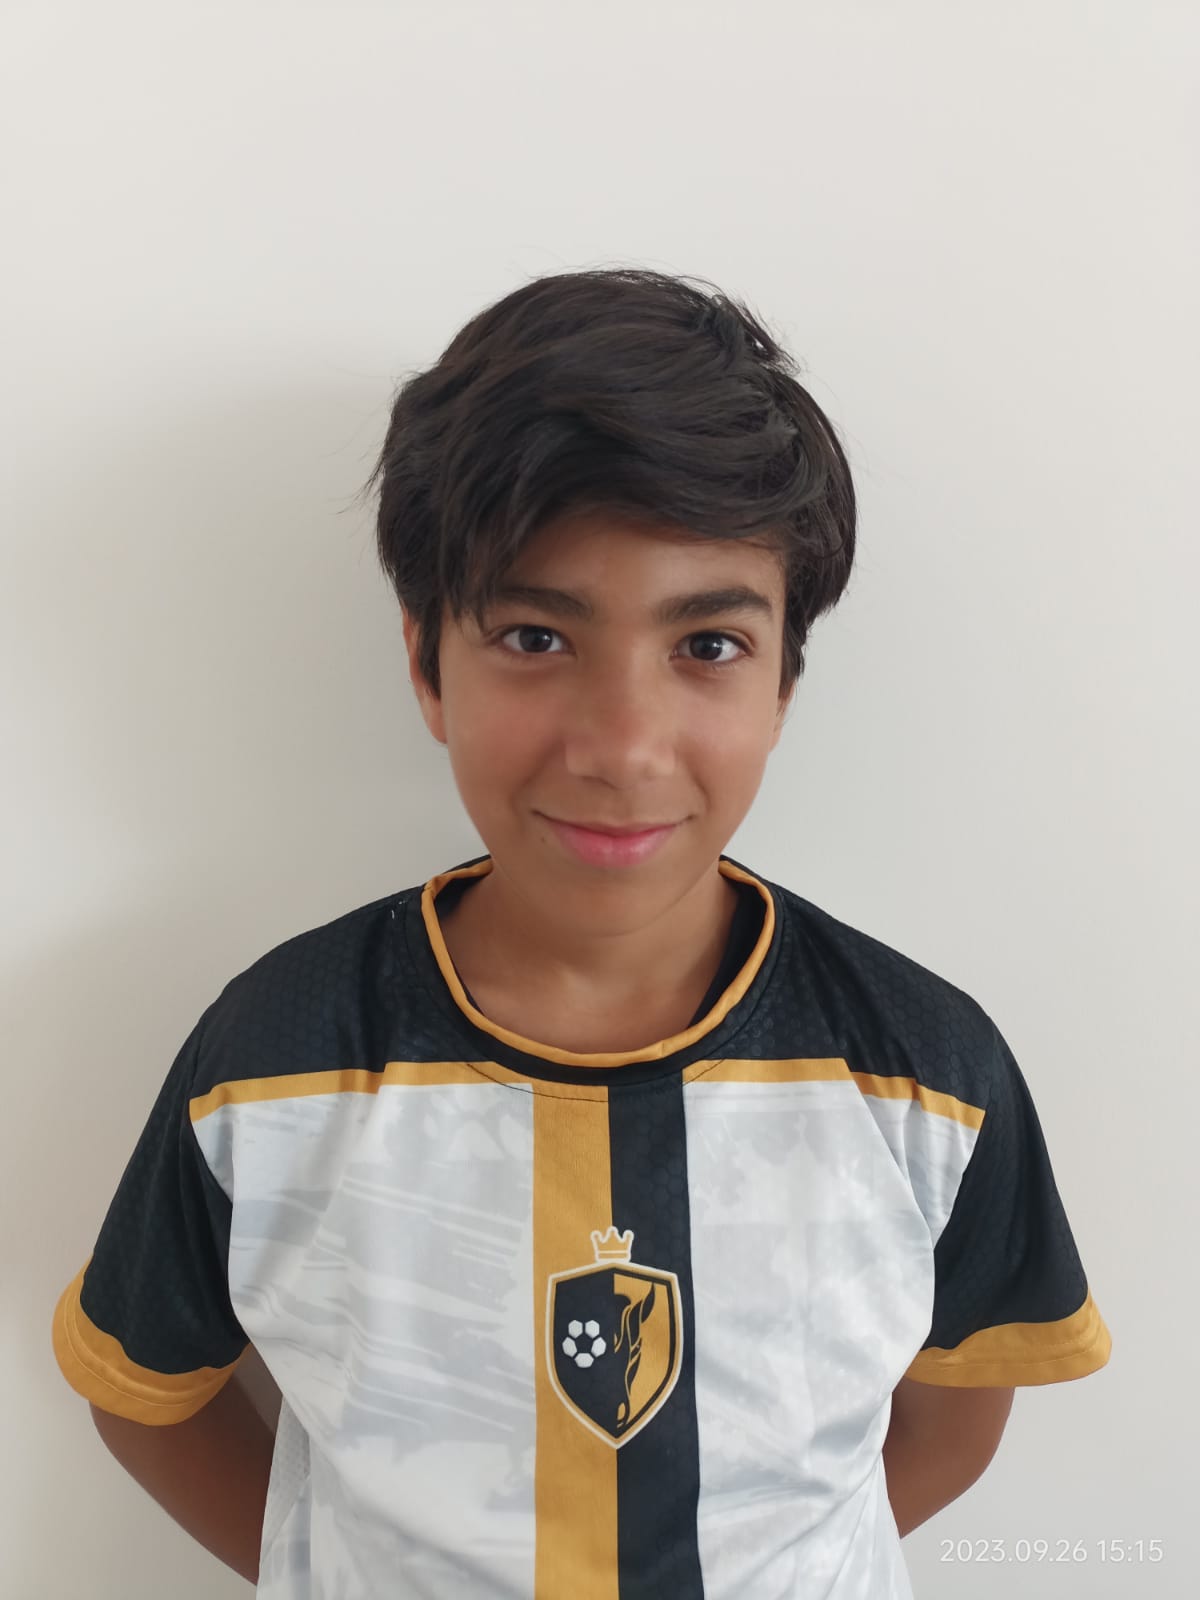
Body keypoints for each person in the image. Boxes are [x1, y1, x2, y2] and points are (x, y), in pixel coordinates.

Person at [51, 266, 1112, 1599]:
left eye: (707, 645)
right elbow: (149, 1398)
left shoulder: (923, 1071)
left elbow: (954, 1419)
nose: (622, 747)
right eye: (536, 636)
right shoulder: (275, 1058)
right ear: (428, 665)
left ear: (786, 679)